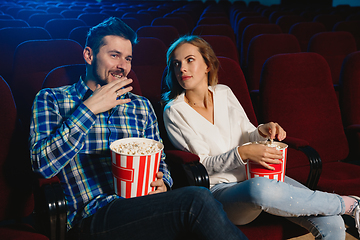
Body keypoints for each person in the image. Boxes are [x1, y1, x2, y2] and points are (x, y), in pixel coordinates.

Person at [30, 18, 248, 240]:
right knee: (198, 200)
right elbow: (42, 166)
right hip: (92, 216)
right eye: (114, 55)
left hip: (145, 206)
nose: (122, 65)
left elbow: (159, 160)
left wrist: (163, 183)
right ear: (89, 55)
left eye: (128, 58)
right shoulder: (51, 99)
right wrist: (89, 109)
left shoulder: (140, 106)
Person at [162, 35, 360, 240]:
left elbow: (246, 131)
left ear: (207, 65)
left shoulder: (224, 92)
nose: (181, 68)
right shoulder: (174, 111)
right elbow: (201, 165)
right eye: (176, 64)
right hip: (221, 191)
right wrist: (243, 153)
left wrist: (261, 131)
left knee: (333, 223)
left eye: (189, 60)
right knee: (261, 188)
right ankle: (349, 204)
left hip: (258, 176)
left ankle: (346, 207)